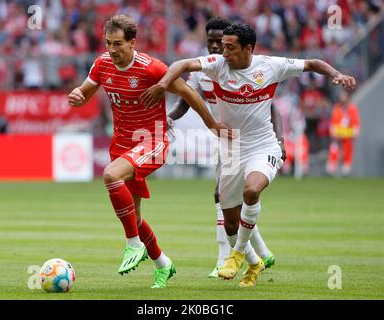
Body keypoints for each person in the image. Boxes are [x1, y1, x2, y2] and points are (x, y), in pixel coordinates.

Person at [141, 23, 356, 287]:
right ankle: (255, 263)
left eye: (230, 47)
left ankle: (238, 254)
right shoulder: (217, 65)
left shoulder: (271, 66)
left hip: (263, 145)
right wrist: (163, 84)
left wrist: (336, 74)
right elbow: (183, 65)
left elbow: (311, 63)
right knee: (230, 222)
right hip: (231, 148)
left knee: (251, 191)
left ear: (248, 49)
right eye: (222, 46)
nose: (224, 51)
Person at [68, 15, 228, 289]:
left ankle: (133, 245)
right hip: (121, 143)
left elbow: (189, 92)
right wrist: (78, 96)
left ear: (133, 43)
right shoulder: (102, 64)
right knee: (135, 215)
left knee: (110, 176)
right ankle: (163, 264)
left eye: (118, 43)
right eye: (108, 43)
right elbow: (86, 90)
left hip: (151, 141)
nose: (112, 49)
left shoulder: (151, 69)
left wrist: (212, 123)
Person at [167, 17, 277, 278]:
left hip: (249, 140)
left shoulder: (250, 68)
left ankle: (225, 259)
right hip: (225, 139)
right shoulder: (202, 71)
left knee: (223, 196)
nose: (217, 46)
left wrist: (279, 139)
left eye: (222, 41)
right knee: (229, 199)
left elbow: (271, 109)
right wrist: (170, 115)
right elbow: (186, 102)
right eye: (212, 41)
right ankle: (261, 253)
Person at [326, 90, 360, 176]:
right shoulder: (337, 108)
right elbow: (333, 121)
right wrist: (334, 131)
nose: (342, 98)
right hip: (338, 132)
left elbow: (355, 122)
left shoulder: (352, 108)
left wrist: (355, 130)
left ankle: (346, 166)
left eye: (344, 96)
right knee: (334, 147)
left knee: (348, 147)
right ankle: (332, 166)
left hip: (348, 133)